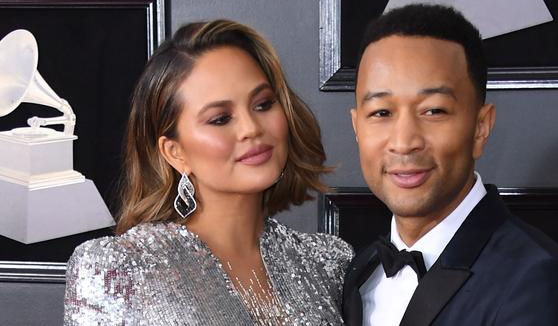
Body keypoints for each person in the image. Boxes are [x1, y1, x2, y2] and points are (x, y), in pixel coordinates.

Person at [64, 19, 353, 325]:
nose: (251, 128)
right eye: (219, 119)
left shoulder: (328, 262)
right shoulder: (118, 268)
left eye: (263, 104)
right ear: (175, 153)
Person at [343, 4, 558, 326]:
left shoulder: (542, 282)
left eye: (433, 111)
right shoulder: (358, 271)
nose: (404, 141)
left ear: (481, 127)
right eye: (381, 112)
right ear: (357, 128)